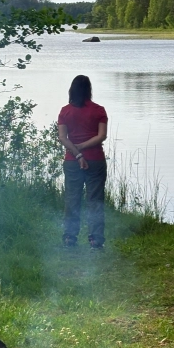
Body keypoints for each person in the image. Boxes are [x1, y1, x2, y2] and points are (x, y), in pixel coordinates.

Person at [57, 75, 108, 248]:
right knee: (95, 200)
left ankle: (70, 237)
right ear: (89, 90)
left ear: (72, 90)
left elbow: (62, 138)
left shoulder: (65, 111)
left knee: (72, 199)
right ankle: (95, 239)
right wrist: (83, 148)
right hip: (95, 160)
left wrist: (77, 154)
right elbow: (102, 136)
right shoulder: (99, 110)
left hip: (72, 161)